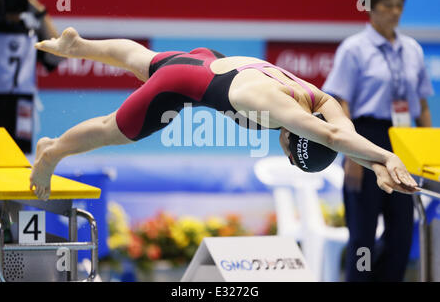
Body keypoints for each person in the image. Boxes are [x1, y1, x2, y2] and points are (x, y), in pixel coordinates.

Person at [29, 26, 419, 202]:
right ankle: (51, 154)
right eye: (291, 154)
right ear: (298, 139)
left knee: (140, 59)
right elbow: (333, 139)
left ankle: (80, 46)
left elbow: (339, 132)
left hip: (204, 60)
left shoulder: (318, 101)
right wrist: (387, 155)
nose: (283, 152)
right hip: (182, 83)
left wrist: (375, 166)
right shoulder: (279, 110)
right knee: (111, 129)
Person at [322, 0, 434, 281]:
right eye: (387, 5)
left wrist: (430, 151)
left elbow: (421, 104)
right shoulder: (354, 49)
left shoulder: (411, 48)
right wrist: (351, 154)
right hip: (365, 136)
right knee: (363, 234)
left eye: (399, 5)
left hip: (404, 139)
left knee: (401, 233)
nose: (395, 12)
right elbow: (339, 102)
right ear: (369, 8)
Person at [0, 0, 62, 154]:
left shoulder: (33, 25)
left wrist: (38, 11)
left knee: (20, 156)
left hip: (22, 103)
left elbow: (57, 56)